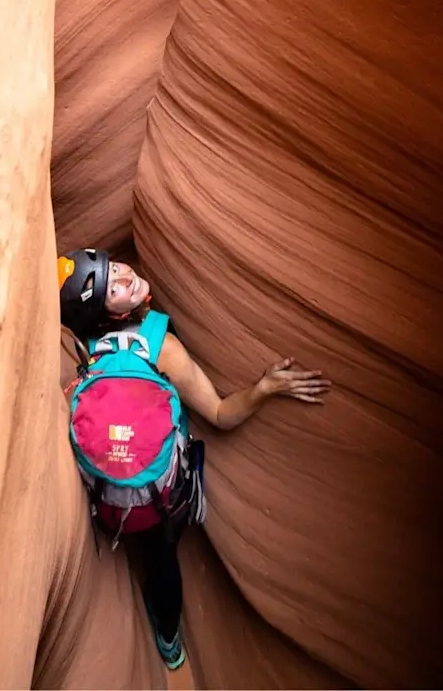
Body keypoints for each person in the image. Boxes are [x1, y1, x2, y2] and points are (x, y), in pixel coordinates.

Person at [58, 247, 330, 672]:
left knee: (147, 543)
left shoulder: (81, 348)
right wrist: (265, 388)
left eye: (114, 268)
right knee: (164, 562)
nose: (124, 276)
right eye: (111, 286)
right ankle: (168, 638)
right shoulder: (162, 347)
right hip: (163, 500)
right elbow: (220, 415)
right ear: (105, 313)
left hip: (105, 495)